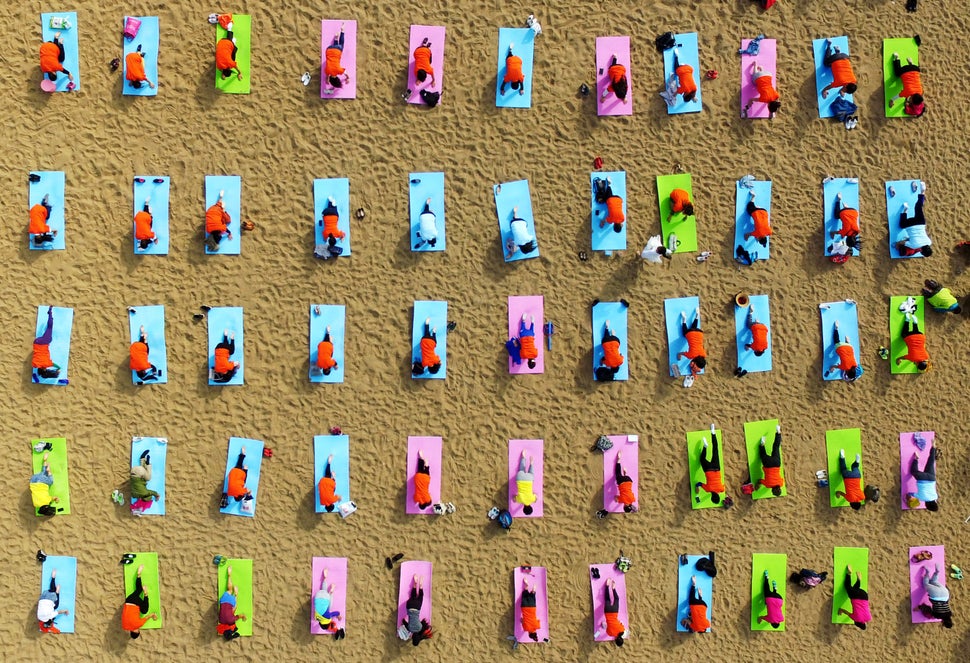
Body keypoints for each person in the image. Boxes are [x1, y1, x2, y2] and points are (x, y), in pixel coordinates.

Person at [122, 564, 159, 639]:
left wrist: (154, 615)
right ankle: (139, 574)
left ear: (136, 631)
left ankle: (146, 593)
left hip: (135, 603)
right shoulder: (124, 626)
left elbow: (149, 616)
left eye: (138, 631)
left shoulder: (138, 624)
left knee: (144, 610)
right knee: (138, 590)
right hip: (128, 601)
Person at [895, 184, 933, 257]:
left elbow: (929, 235)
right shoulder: (914, 246)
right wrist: (897, 245)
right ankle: (905, 209)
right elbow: (902, 242)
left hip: (921, 223)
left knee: (918, 207)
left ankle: (922, 191)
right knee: (902, 225)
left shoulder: (929, 242)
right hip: (910, 225)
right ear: (921, 251)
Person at [694, 424, 726, 505]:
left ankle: (713, 432)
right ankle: (705, 446)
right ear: (711, 497)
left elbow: (723, 486)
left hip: (717, 468)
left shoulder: (722, 489)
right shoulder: (708, 489)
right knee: (702, 459)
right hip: (708, 470)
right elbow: (699, 483)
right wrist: (697, 487)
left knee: (715, 449)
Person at [888, 52, 925, 117]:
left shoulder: (920, 91)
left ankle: (911, 63)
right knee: (897, 73)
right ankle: (896, 58)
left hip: (916, 69)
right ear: (912, 99)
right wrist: (891, 101)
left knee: (913, 75)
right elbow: (897, 96)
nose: (910, 101)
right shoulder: (907, 93)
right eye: (911, 101)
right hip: (905, 70)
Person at [401, 574, 433, 646]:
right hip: (409, 606)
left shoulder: (420, 628)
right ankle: (415, 585)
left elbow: (423, 621)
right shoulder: (410, 629)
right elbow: (403, 621)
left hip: (417, 608)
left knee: (420, 597)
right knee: (412, 596)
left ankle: (420, 585)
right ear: (412, 636)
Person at [836, 565, 872, 629]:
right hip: (855, 597)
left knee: (855, 589)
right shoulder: (855, 618)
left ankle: (858, 580)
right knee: (847, 586)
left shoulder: (868, 618)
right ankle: (849, 573)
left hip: (864, 596)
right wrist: (840, 610)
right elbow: (846, 612)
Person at [217, 566, 247, 640]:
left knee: (235, 606)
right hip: (223, 600)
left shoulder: (232, 620)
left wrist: (244, 617)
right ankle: (229, 574)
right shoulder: (220, 621)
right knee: (229, 590)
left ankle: (236, 593)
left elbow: (241, 615)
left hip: (230, 601)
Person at [595, 577, 626, 647]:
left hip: (615, 612)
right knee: (607, 599)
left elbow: (621, 623)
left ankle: (613, 588)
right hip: (607, 612)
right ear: (615, 640)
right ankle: (607, 586)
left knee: (617, 599)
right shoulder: (610, 634)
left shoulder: (622, 630)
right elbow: (607, 629)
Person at [37, 568, 70, 633]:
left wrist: (66, 610)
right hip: (43, 597)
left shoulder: (50, 616)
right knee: (51, 591)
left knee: (56, 604)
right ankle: (55, 589)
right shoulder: (39, 617)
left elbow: (59, 612)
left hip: (50, 599)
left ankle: (56, 589)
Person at [32, 306, 61, 380]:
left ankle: (50, 312)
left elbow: (57, 366)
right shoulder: (35, 364)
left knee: (50, 327)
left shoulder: (47, 364)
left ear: (44, 369)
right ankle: (48, 336)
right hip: (36, 343)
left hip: (43, 343)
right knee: (49, 338)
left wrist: (59, 369)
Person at [677, 309, 708, 376]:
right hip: (690, 333)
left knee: (693, 328)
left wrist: (693, 370)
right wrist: (679, 355)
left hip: (699, 333)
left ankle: (697, 316)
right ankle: (684, 320)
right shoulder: (691, 355)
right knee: (684, 333)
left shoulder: (704, 354)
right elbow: (681, 353)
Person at [314, 568, 344, 636]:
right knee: (323, 591)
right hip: (317, 596)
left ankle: (331, 592)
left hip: (325, 597)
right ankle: (324, 578)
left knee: (329, 604)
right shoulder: (316, 618)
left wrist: (338, 616)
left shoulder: (328, 617)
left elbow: (336, 612)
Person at [757, 424, 785, 496]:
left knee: (776, 447)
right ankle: (762, 443)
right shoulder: (768, 485)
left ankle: (778, 432)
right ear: (772, 490)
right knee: (763, 455)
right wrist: (758, 484)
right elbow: (760, 481)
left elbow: (781, 479)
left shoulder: (781, 484)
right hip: (768, 465)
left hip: (776, 464)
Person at [908, 446, 939, 511]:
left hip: (932, 478)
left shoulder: (935, 496)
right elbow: (911, 493)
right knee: (913, 471)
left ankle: (933, 447)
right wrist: (909, 496)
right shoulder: (921, 498)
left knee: (930, 462)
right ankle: (916, 459)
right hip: (922, 479)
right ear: (927, 505)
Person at [30, 453, 60, 517]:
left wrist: (56, 499)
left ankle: (49, 471)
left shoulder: (47, 501)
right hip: (32, 480)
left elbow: (54, 498)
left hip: (41, 482)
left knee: (51, 481)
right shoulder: (35, 504)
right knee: (43, 474)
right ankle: (45, 461)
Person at [324, 24, 351, 92]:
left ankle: (342, 30)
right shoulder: (327, 71)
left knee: (341, 45)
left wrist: (348, 78)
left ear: (337, 79)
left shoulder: (338, 70)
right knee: (335, 50)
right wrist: (327, 80)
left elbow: (346, 73)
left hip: (336, 51)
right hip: (328, 50)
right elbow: (327, 75)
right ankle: (336, 38)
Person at [513, 450, 538, 515]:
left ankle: (531, 464)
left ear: (531, 506)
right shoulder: (520, 500)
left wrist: (535, 500)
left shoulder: (532, 499)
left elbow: (536, 496)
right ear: (523, 508)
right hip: (520, 479)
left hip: (529, 480)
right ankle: (523, 457)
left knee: (531, 474)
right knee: (521, 469)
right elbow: (514, 498)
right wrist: (515, 499)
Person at [519, 571, 542, 641]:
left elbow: (538, 620)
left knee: (532, 596)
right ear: (529, 633)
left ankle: (533, 590)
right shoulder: (525, 628)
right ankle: (526, 587)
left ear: (535, 632)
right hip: (524, 608)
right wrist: (522, 620)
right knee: (525, 594)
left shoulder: (537, 626)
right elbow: (522, 620)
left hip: (532, 608)